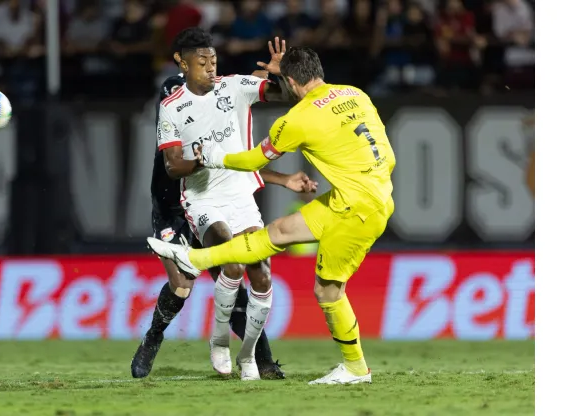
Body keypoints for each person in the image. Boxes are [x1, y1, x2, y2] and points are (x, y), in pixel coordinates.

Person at [148, 46, 396, 385]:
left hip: (357, 211)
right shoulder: (354, 93)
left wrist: (215, 154)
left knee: (328, 292)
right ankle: (195, 259)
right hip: (366, 193)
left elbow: (252, 162)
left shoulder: (297, 120)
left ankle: (355, 368)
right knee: (277, 233)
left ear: (291, 81)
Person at [132, 28, 316, 380]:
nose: (210, 68)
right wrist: (204, 159)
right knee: (183, 285)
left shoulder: (229, 90)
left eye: (212, 61)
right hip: (175, 205)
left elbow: (239, 160)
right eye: (201, 62)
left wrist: (279, 77)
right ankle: (153, 337)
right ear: (182, 66)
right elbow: (174, 168)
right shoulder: (173, 107)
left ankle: (259, 359)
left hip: (222, 198)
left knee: (238, 271)